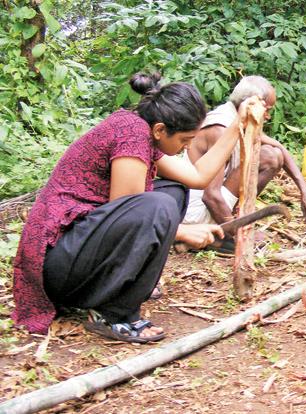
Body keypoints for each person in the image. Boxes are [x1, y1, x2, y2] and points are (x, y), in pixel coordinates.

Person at [12, 72, 255, 343]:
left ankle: (124, 288)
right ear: (161, 129)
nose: (187, 146)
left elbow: (197, 178)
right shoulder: (131, 135)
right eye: (185, 140)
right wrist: (184, 232)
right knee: (157, 204)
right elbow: (128, 209)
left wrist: (238, 124)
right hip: (57, 267)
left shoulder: (143, 131)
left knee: (172, 191)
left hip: (76, 253)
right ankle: (114, 314)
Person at [183, 76, 306, 251]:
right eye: (266, 109)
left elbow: (279, 148)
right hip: (195, 214)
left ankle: (231, 224)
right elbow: (211, 196)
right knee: (268, 156)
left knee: (272, 155)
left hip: (213, 204)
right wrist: (239, 234)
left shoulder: (243, 119)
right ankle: (221, 235)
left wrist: (304, 191)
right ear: (251, 103)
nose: (267, 116)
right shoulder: (220, 128)